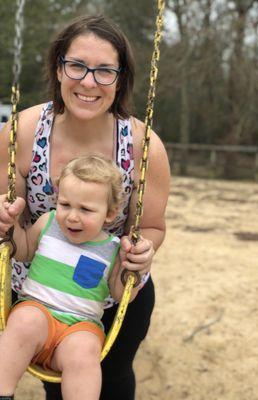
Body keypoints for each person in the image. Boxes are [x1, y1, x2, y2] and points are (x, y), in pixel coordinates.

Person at [0, 13, 170, 400]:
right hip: (35, 290)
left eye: (104, 70)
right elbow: (5, 215)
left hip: (110, 290)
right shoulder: (22, 132)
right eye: (76, 65)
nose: (88, 81)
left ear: (120, 77)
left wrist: (143, 249)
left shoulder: (143, 147)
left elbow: (153, 226)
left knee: (109, 380)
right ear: (58, 68)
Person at [0, 155, 143, 400]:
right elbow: (22, 251)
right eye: (65, 205)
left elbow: (121, 294)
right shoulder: (48, 223)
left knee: (86, 351)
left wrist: (132, 273)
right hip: (38, 313)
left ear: (110, 213)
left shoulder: (113, 249)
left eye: (85, 209)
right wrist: (9, 229)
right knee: (24, 320)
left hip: (78, 328)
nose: (72, 216)